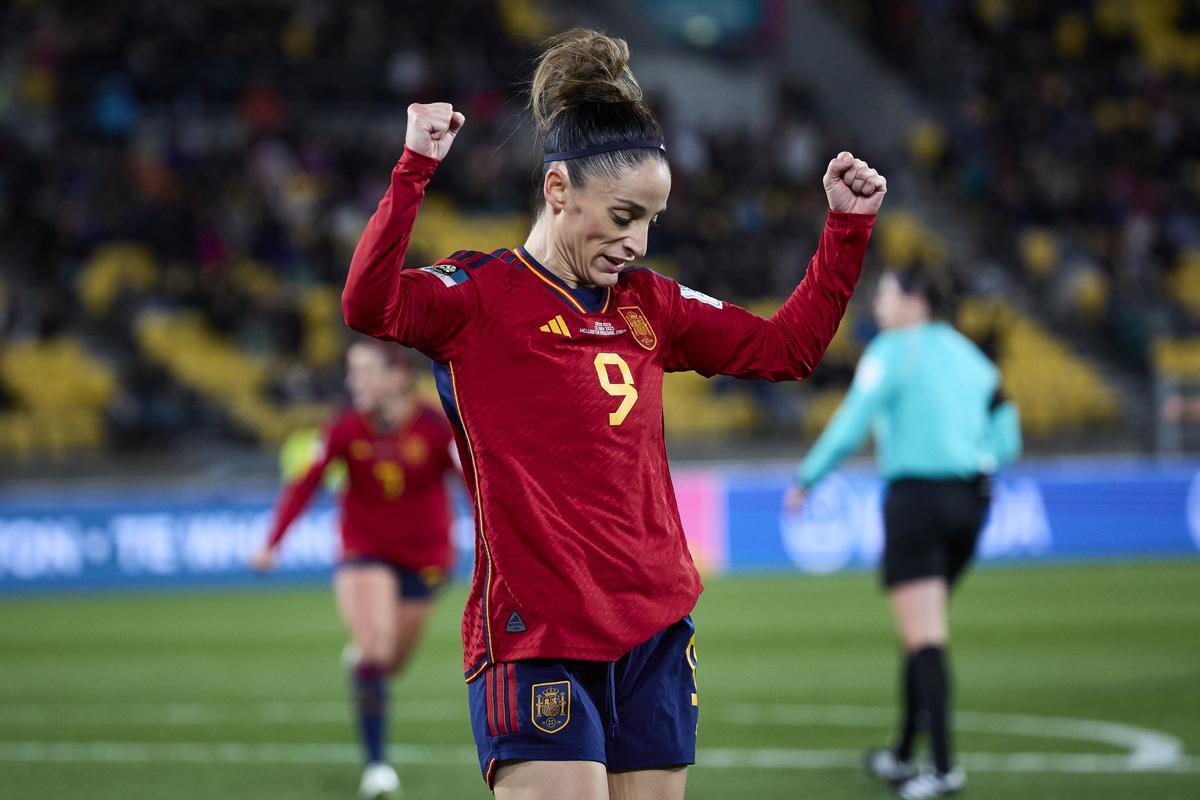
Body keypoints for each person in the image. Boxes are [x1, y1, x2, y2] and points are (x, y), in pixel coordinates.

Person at [342, 28, 886, 800]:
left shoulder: (651, 304)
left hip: (655, 629)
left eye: (651, 222)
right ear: (558, 190)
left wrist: (845, 229)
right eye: (623, 215)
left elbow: (786, 350)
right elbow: (368, 303)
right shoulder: (479, 296)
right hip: (538, 639)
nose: (636, 241)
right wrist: (414, 168)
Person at [785, 264, 1022, 799]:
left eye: (887, 296)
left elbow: (852, 422)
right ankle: (901, 754)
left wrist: (808, 479)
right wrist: (983, 462)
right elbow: (1007, 429)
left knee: (926, 638)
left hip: (916, 500)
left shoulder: (892, 352)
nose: (879, 307)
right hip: (970, 501)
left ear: (917, 302)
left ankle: (941, 768)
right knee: (919, 635)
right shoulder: (971, 357)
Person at [250, 339, 460, 800]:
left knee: (389, 662)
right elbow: (305, 484)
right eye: (352, 372)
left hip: (427, 561)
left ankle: (365, 658)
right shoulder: (343, 428)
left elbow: (475, 479)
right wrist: (271, 543)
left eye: (365, 372)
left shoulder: (436, 426)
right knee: (375, 650)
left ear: (397, 377)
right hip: (363, 552)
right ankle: (377, 767)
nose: (354, 382)